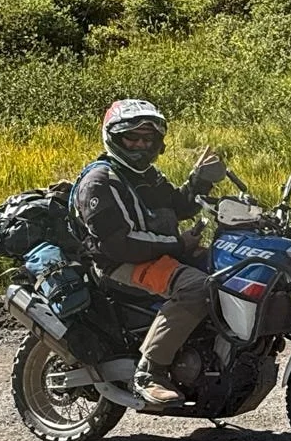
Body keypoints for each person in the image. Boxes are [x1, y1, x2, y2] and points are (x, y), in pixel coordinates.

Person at [72, 98, 226, 406]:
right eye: (133, 137)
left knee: (229, 269)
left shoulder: (148, 176)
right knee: (196, 287)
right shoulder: (101, 181)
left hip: (158, 256)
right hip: (120, 264)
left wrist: (199, 181)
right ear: (114, 137)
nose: (141, 145)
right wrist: (178, 245)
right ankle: (150, 371)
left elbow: (178, 206)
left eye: (148, 138)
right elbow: (120, 244)